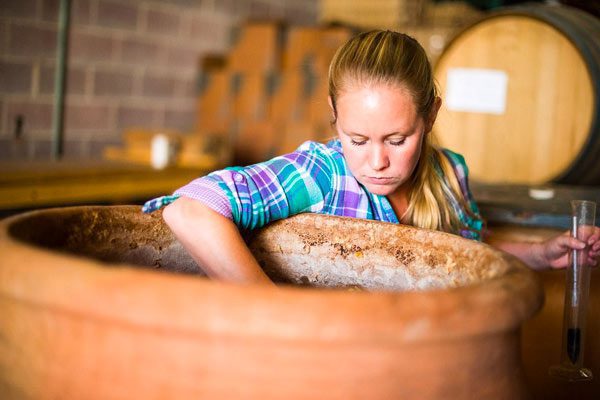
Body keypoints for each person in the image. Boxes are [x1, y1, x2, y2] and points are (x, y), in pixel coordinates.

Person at [143, 30, 600, 285]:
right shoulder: (322, 173)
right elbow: (193, 209)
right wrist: (270, 309)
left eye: (398, 139)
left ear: (431, 116)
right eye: (356, 138)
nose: (376, 161)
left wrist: (538, 254)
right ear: (334, 115)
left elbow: (468, 253)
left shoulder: (448, 174)